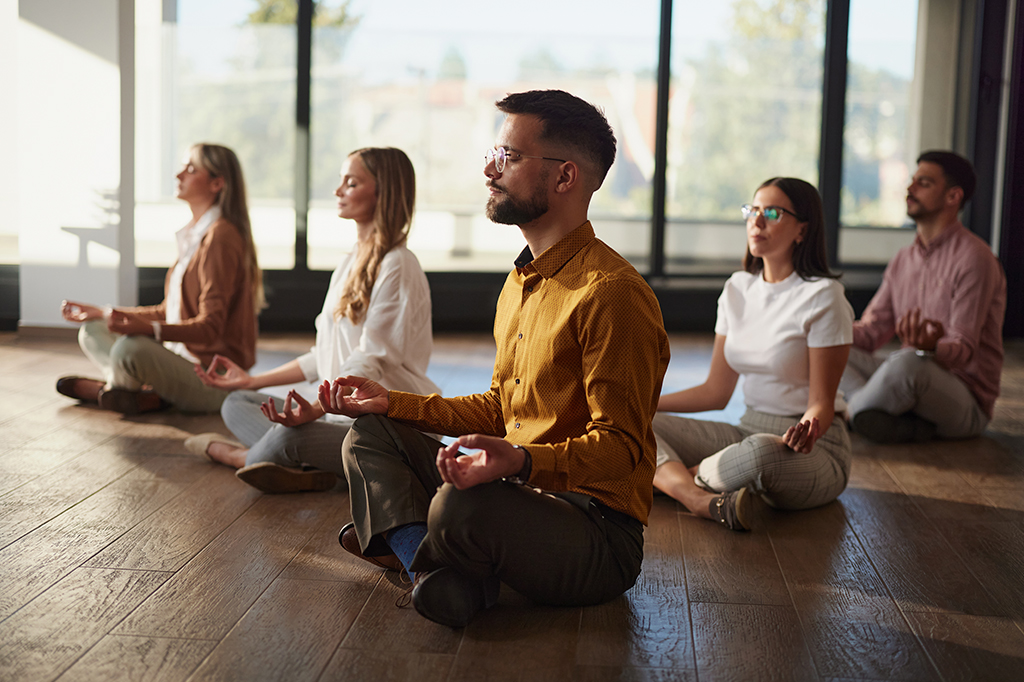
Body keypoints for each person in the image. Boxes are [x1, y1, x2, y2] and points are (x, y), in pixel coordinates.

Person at [317, 90, 670, 627]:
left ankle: (422, 547)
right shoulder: (521, 280)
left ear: (565, 177)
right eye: (495, 152)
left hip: (595, 532)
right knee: (373, 431)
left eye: (508, 156)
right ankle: (429, 569)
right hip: (517, 493)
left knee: (460, 506)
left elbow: (623, 449)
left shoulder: (613, 293)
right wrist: (394, 402)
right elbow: (501, 406)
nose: (489, 168)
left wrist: (523, 462)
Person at [188, 147, 439, 494]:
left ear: (383, 192)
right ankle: (308, 465)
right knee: (236, 403)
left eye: (350, 183)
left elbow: (370, 361)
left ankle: (242, 457)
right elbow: (321, 354)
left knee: (287, 438)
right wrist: (251, 380)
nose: (338, 191)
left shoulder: (399, 265)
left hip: (383, 428)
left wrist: (314, 410)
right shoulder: (348, 263)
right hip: (336, 415)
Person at [652, 178, 853, 532]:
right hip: (746, 430)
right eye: (752, 210)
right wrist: (646, 403)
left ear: (802, 230)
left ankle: (670, 477)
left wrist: (807, 429)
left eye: (772, 213)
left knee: (761, 453)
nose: (756, 222)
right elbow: (715, 391)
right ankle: (699, 497)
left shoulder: (824, 296)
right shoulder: (737, 288)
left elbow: (821, 403)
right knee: (638, 423)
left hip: (809, 449)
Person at [57, 143, 262, 414]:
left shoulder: (220, 237)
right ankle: (143, 395)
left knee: (130, 349)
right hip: (180, 360)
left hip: (214, 380)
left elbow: (210, 327)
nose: (179, 175)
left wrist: (149, 330)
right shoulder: (195, 235)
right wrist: (107, 312)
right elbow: (170, 311)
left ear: (217, 183)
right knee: (94, 329)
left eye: (190, 169)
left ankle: (115, 391)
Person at [842, 151, 1006, 443]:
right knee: (831, 347)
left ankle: (848, 413)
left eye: (924, 183)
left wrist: (930, 347)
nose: (910, 188)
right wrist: (825, 325)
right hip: (911, 378)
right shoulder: (903, 259)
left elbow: (964, 350)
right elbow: (870, 333)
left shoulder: (975, 258)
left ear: (953, 196)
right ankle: (878, 415)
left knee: (907, 363)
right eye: (912, 181)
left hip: (963, 398)